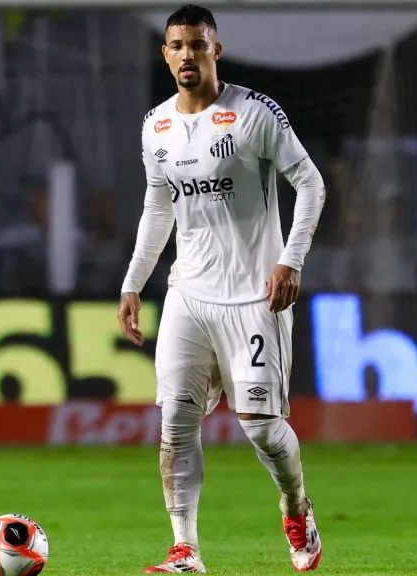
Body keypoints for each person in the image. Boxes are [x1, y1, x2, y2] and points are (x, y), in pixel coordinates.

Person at [116, 5, 326, 573]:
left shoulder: (255, 114)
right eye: (177, 45)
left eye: (198, 44)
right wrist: (134, 283)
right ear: (165, 53)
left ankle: (295, 505)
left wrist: (292, 260)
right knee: (175, 421)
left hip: (256, 298)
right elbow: (158, 208)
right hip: (188, 295)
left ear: (217, 49)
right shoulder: (155, 126)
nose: (188, 54)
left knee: (262, 430)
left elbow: (310, 183)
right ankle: (185, 548)